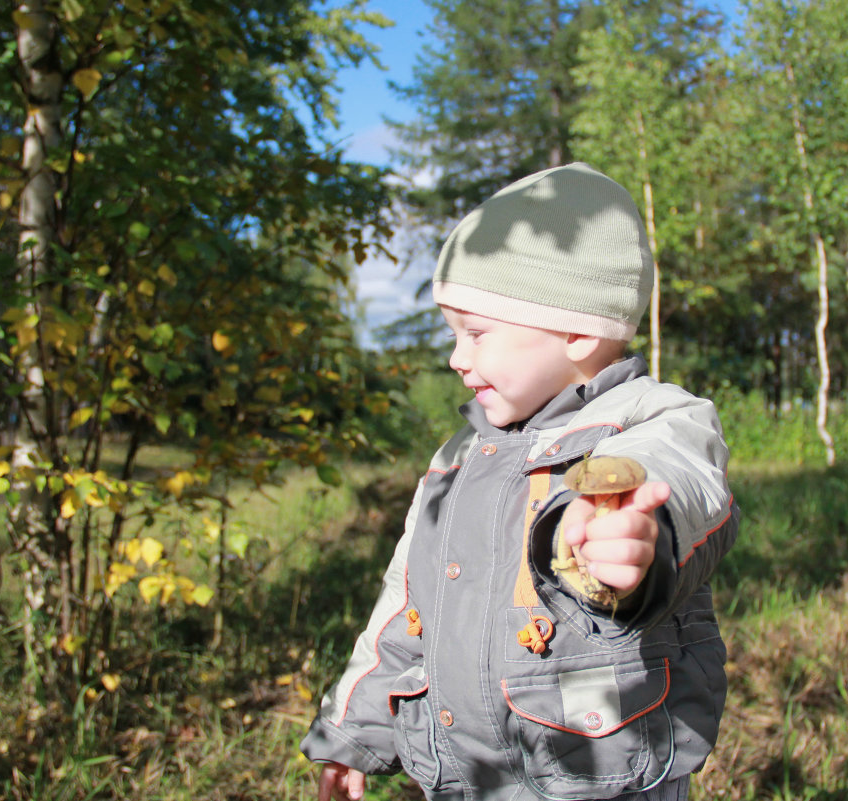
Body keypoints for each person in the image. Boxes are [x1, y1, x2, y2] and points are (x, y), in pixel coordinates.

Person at [301, 162, 739, 801]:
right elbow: (403, 609)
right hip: (464, 772)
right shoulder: (459, 456)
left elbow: (683, 477)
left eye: (477, 333)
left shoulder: (649, 419)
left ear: (578, 331)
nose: (457, 357)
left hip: (596, 767)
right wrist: (353, 735)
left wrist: (635, 529)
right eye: (453, 334)